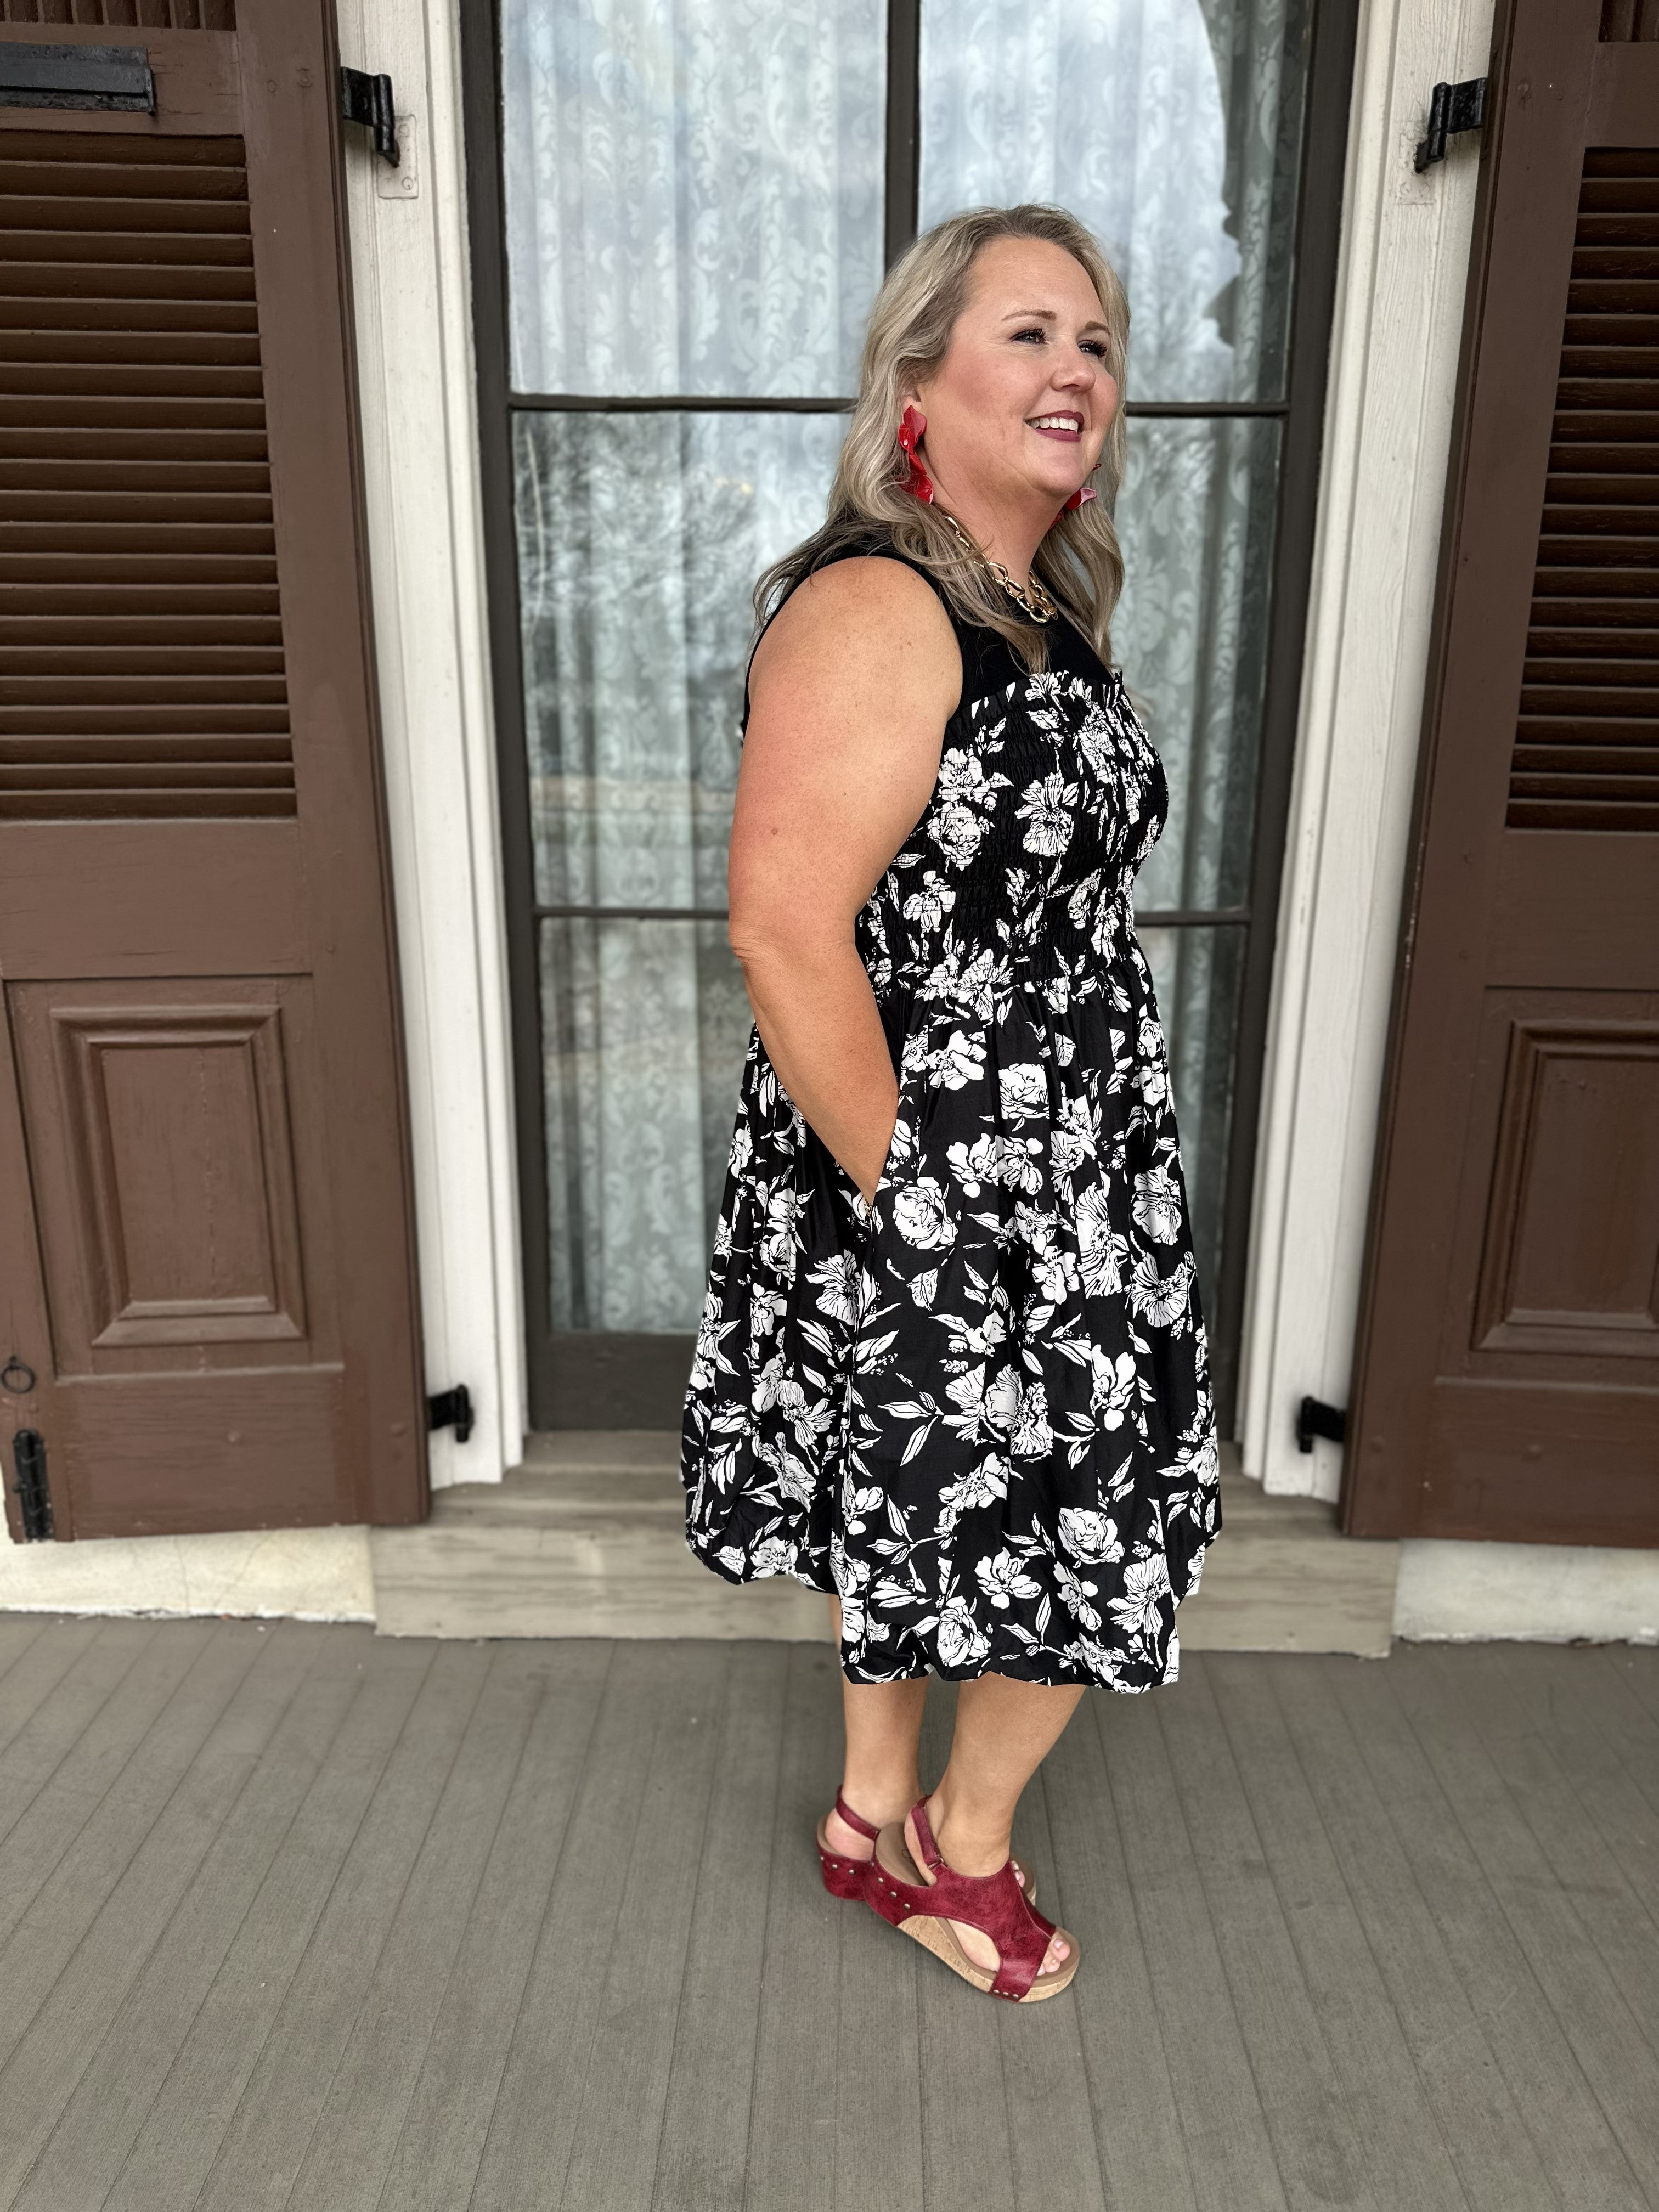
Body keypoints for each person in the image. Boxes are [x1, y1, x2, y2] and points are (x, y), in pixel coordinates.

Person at [680, 204, 1221, 2005]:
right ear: (919, 383)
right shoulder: (880, 602)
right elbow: (780, 926)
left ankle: (866, 1812)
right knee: (1092, 1507)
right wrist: (920, 1196)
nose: (1081, 371)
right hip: (954, 1163)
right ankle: (954, 1850)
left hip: (1057, 1154)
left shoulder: (1034, 612)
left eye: (1100, 344)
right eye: (1032, 335)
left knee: (910, 1488)